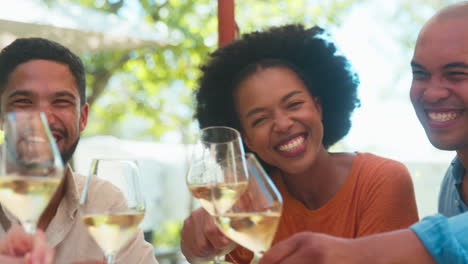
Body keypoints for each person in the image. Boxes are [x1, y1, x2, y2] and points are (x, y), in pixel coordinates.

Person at [180, 24, 419, 263]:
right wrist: (197, 249)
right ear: (247, 140)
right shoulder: (253, 203)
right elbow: (209, 252)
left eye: (294, 104)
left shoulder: (381, 180)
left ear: (318, 107)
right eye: (261, 119)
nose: (283, 124)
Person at [257, 1, 468, 263]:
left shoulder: (379, 179)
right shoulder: (453, 182)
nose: (433, 93)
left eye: (458, 74)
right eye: (421, 74)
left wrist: (367, 251)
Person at [0, 38, 158, 264]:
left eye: (61, 102)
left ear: (82, 118)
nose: (43, 119)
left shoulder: (104, 202)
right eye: (24, 101)